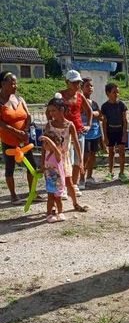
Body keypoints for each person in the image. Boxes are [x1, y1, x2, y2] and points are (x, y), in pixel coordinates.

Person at [44, 94, 88, 212]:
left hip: (65, 158)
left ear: (61, 110)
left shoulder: (70, 125)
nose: (51, 113)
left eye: (53, 110)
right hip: (52, 160)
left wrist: (81, 160)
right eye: (50, 111)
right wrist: (43, 163)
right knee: (53, 184)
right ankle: (52, 207)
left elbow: (76, 143)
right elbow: (44, 145)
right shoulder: (49, 125)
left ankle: (75, 203)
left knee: (69, 181)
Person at [0, 71, 38, 204]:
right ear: (3, 84)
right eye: (12, 83)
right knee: (10, 168)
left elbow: (28, 116)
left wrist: (25, 130)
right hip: (9, 141)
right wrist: (16, 132)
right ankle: (13, 195)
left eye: (16, 83)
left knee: (32, 166)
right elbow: (2, 124)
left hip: (24, 140)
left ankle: (32, 192)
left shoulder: (20, 99)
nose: (15, 86)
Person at [60, 70, 92, 191]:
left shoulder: (80, 95)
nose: (77, 85)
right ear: (67, 82)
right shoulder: (60, 95)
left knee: (78, 159)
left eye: (78, 82)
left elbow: (89, 111)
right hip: (64, 132)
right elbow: (50, 111)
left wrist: (88, 125)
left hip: (78, 131)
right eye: (74, 82)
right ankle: (64, 185)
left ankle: (73, 185)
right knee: (67, 160)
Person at [101, 84, 128, 182]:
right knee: (111, 152)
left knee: (122, 152)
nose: (116, 94)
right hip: (110, 131)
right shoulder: (105, 106)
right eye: (114, 92)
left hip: (120, 131)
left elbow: (125, 120)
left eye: (117, 92)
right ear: (108, 93)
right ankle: (110, 172)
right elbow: (104, 122)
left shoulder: (122, 105)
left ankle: (122, 172)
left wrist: (125, 133)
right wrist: (105, 136)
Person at [79, 77, 102, 188]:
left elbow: (100, 116)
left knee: (92, 155)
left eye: (91, 86)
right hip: (84, 133)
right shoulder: (79, 101)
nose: (90, 88)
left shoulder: (94, 103)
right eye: (87, 86)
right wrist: (94, 113)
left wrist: (93, 113)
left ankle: (89, 176)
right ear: (82, 87)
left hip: (95, 133)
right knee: (84, 157)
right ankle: (81, 179)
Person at [40, 132, 66, 223]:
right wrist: (42, 169)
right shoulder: (48, 154)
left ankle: (60, 212)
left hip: (58, 181)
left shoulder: (57, 153)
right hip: (50, 181)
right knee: (50, 198)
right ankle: (49, 213)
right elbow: (47, 167)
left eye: (46, 143)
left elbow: (54, 147)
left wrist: (47, 139)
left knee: (58, 198)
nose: (44, 145)